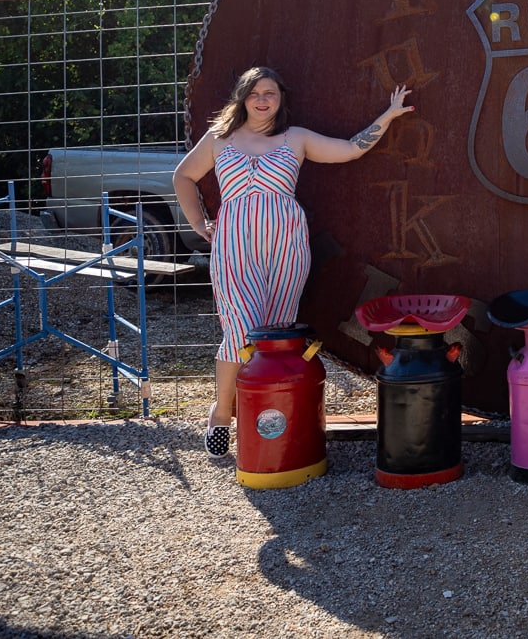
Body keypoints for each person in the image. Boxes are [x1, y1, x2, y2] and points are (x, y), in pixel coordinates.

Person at [172, 66, 415, 456]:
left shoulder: (295, 138)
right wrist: (199, 222)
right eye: (255, 93)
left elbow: (350, 148)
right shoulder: (220, 138)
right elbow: (182, 177)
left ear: (281, 99)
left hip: (286, 246)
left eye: (271, 93)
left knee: (275, 332)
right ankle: (221, 412)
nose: (263, 100)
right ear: (242, 98)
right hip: (234, 246)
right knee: (240, 330)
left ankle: (266, 416)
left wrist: (387, 116)